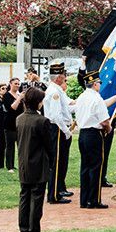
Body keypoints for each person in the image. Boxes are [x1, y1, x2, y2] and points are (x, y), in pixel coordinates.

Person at [75, 70, 116, 209]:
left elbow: (101, 105)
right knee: (96, 167)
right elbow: (105, 121)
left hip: (83, 134)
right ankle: (94, 200)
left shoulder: (82, 97)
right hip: (94, 135)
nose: (100, 84)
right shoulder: (96, 98)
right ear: (94, 84)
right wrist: (109, 129)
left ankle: (84, 199)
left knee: (85, 167)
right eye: (99, 83)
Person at [16, 87, 52, 232]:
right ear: (37, 102)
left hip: (24, 163)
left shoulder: (20, 119)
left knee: (24, 198)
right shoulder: (41, 121)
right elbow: (49, 145)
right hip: (38, 164)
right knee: (36, 201)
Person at [43, 63, 75, 204]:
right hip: (56, 128)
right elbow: (56, 116)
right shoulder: (54, 92)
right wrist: (66, 130)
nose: (64, 77)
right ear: (58, 77)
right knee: (56, 161)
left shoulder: (57, 90)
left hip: (59, 128)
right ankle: (54, 195)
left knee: (61, 160)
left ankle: (59, 188)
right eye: (63, 75)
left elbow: (67, 108)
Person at [2, 78, 24, 172]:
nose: (17, 85)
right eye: (15, 83)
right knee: (10, 146)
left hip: (20, 123)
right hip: (10, 124)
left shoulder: (20, 95)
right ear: (10, 84)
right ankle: (9, 166)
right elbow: (12, 108)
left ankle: (21, 165)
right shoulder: (6, 95)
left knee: (21, 145)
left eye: (19, 84)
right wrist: (19, 98)